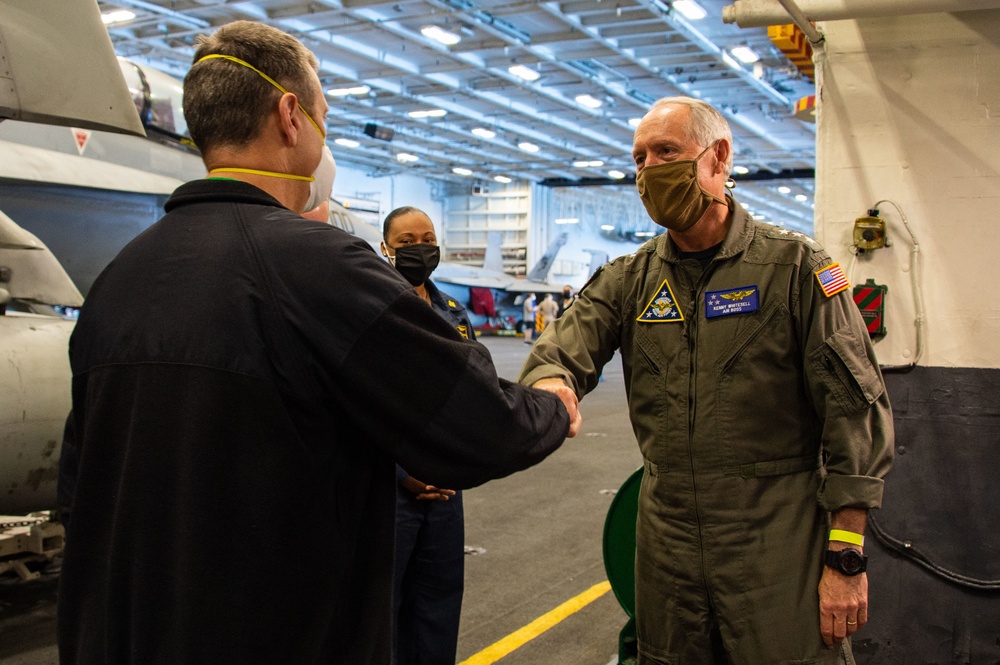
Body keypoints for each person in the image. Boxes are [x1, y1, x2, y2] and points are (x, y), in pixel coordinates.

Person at [59, 21, 580, 665]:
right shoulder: (320, 267)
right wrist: (553, 403)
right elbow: (476, 423)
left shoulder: (117, 280)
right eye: (323, 113)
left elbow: (79, 484)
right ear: (289, 116)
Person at [519, 97, 893, 665]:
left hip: (776, 539)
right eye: (639, 159)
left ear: (717, 159)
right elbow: (560, 349)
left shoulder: (794, 269)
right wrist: (552, 383)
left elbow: (854, 414)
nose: (647, 171)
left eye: (665, 152)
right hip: (667, 544)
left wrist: (846, 558)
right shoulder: (631, 279)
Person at [379, 206, 468, 665]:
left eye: (427, 238)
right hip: (389, 496)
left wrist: (457, 464)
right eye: (407, 242)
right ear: (385, 249)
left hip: (446, 492)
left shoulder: (453, 313)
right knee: (381, 617)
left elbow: (474, 396)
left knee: (438, 610)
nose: (420, 248)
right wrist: (403, 473)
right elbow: (359, 405)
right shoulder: (371, 309)